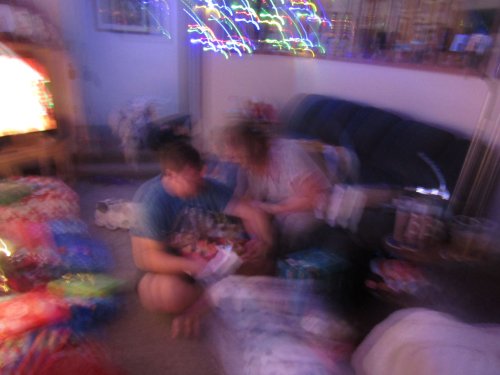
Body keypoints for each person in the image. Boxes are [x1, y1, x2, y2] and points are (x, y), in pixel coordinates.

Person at [130, 141, 273, 336]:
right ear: (170, 175)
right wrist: (193, 267)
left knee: (262, 262)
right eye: (191, 179)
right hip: (172, 267)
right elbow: (146, 258)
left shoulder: (206, 186)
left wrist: (262, 241)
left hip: (208, 257)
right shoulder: (152, 201)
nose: (199, 183)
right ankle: (217, 293)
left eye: (200, 175)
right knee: (167, 295)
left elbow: (254, 214)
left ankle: (215, 294)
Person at [222, 121, 332, 252]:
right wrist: (257, 239)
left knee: (293, 224)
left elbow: (314, 198)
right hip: (284, 208)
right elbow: (248, 204)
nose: (234, 161)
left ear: (251, 151)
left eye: (237, 157)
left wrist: (275, 209)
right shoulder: (249, 168)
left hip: (316, 208)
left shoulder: (289, 154)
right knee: (250, 212)